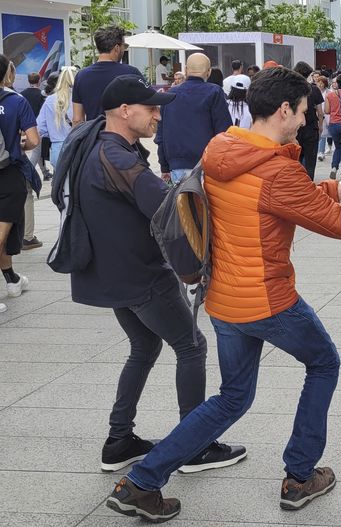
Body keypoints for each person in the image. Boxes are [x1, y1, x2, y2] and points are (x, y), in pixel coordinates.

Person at [105, 65, 341, 522]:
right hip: (268, 300)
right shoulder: (276, 169)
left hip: (222, 298)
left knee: (233, 397)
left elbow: (287, 198)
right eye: (302, 112)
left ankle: (141, 482)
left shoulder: (225, 148)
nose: (305, 121)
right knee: (324, 363)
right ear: (283, 109)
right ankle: (300, 476)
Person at [70, 74, 246, 476]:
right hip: (142, 275)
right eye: (151, 109)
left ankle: (118, 441)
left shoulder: (96, 144)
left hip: (113, 275)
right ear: (124, 111)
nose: (158, 116)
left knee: (145, 346)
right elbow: (170, 211)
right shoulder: (118, 158)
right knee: (192, 346)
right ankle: (195, 446)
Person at [0, 54, 39, 314]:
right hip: (7, 174)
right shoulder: (16, 101)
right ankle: (12, 281)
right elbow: (34, 140)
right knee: (2, 233)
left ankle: (12, 280)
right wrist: (19, 144)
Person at [156, 53, 232, 185]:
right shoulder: (214, 92)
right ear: (208, 72)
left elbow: (161, 134)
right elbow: (224, 131)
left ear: (186, 70)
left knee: (183, 205)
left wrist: (164, 166)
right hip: (206, 165)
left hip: (176, 165)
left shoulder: (170, 94)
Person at [72, 26, 142, 124]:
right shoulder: (132, 73)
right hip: (125, 137)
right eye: (124, 46)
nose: (124, 49)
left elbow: (77, 119)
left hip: (94, 136)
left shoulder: (81, 76)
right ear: (117, 48)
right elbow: (145, 108)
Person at [36, 66, 77, 171]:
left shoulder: (50, 100)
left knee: (59, 184)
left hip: (57, 148)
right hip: (76, 146)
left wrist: (52, 132)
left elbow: (40, 127)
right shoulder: (79, 98)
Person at [294, 61, 324, 181]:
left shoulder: (290, 90)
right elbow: (320, 112)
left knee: (295, 159)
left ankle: (296, 184)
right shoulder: (314, 89)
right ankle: (308, 185)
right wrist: (320, 126)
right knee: (310, 161)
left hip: (294, 129)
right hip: (311, 129)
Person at [21, 72, 50, 185]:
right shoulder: (42, 96)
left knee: (37, 150)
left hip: (26, 126)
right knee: (37, 151)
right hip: (39, 127)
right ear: (39, 81)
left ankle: (44, 172)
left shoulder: (22, 94)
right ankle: (28, 173)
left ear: (28, 81)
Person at [324, 74, 341, 180]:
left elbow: (327, 111)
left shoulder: (329, 95)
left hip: (333, 124)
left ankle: (334, 167)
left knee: (337, 147)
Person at [316, 76, 332, 161]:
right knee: (322, 134)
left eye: (322, 83)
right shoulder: (315, 91)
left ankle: (332, 147)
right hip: (319, 115)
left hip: (328, 115)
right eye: (319, 82)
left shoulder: (329, 92)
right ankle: (321, 152)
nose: (320, 84)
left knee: (330, 133)